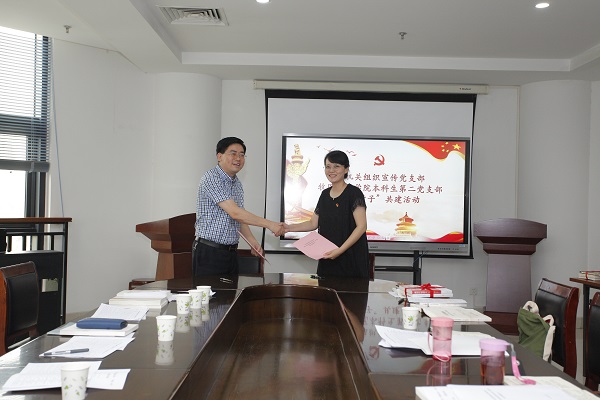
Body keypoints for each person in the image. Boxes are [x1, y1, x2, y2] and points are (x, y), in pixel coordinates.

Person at [193, 137, 284, 276]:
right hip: (209, 252)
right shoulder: (211, 178)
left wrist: (252, 241)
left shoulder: (237, 184)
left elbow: (239, 217)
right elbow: (235, 213)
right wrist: (270, 224)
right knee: (211, 291)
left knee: (231, 290)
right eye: (233, 153)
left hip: (231, 253)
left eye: (242, 155)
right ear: (219, 156)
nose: (238, 158)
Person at [285, 150, 369, 278]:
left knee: (351, 291)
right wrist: (287, 228)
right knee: (326, 289)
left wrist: (339, 251)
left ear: (346, 169)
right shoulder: (324, 194)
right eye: (328, 167)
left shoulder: (354, 193)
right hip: (327, 256)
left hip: (350, 258)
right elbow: (313, 223)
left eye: (337, 166)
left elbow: (362, 226)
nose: (331, 170)